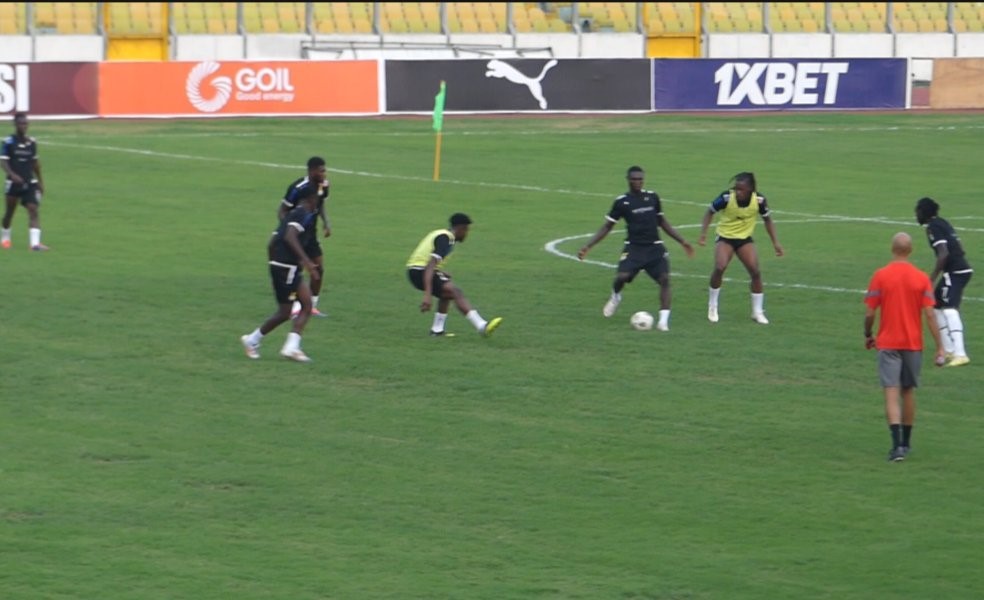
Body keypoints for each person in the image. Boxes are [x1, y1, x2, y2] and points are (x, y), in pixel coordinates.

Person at [577, 165, 694, 331]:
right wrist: (588, 246)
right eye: (634, 179)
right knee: (622, 277)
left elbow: (662, 222)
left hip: (655, 248)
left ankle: (663, 322)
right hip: (634, 248)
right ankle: (616, 296)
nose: (638, 182)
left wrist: (683, 241)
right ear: (628, 180)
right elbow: (607, 227)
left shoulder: (653, 197)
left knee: (665, 279)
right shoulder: (622, 202)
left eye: (640, 179)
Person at [864, 232, 945, 462]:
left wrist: (868, 333)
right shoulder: (921, 279)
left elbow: (870, 312)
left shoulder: (880, 276)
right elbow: (930, 315)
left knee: (891, 392)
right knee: (908, 391)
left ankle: (896, 446)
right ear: (911, 250)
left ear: (892, 249)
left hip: (888, 342)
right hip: (912, 343)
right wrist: (940, 347)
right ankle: (907, 444)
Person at [242, 186, 322, 363]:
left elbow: (272, 243)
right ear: (311, 199)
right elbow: (290, 237)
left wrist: (274, 265)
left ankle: (291, 347)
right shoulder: (302, 214)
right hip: (287, 268)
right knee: (285, 312)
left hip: (286, 267)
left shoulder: (293, 215)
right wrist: (307, 262)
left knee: (307, 305)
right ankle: (252, 340)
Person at [697, 171, 783, 324]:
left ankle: (757, 312)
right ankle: (712, 305)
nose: (737, 192)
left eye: (741, 189)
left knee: (755, 272)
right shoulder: (726, 198)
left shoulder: (759, 200)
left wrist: (775, 243)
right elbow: (709, 212)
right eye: (736, 188)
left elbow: (768, 220)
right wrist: (703, 234)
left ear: (750, 189)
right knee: (720, 267)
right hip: (725, 237)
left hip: (744, 239)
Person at [406, 213, 503, 338]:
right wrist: (427, 296)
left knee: (446, 292)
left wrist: (440, 272)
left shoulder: (441, 234)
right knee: (455, 291)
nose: (467, 234)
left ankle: (437, 330)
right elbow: (430, 266)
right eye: (467, 230)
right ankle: (481, 325)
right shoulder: (446, 239)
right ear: (461, 228)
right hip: (421, 271)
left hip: (415, 270)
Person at [915, 197, 973, 367]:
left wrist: (932, 278)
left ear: (923, 212)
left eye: (917, 211)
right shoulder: (942, 222)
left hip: (955, 271)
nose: (916, 215)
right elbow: (960, 247)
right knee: (936, 305)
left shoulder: (933, 227)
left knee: (949, 308)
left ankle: (960, 354)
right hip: (960, 268)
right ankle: (948, 350)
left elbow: (943, 253)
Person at [275, 156, 331, 318]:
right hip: (296, 236)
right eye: (321, 171)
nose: (324, 173)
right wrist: (288, 228)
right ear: (312, 171)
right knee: (296, 272)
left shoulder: (323, 185)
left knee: (318, 269)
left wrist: (326, 223)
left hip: (311, 235)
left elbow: (321, 204)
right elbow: (282, 211)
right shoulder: (298, 188)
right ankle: (293, 305)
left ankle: (311, 306)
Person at [1, 112, 46, 251]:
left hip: (29, 182)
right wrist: (12, 174)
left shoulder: (32, 143)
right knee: (10, 212)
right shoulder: (8, 142)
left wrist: (40, 181)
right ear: (15, 124)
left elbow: (35, 163)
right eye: (21, 123)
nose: (24, 126)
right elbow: (3, 160)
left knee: (33, 210)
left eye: (26, 123)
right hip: (14, 183)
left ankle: (34, 245)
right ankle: (5, 238)